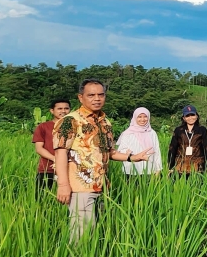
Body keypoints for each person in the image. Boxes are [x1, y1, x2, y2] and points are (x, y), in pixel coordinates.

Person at [53, 79, 153, 242]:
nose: (97, 98)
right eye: (91, 95)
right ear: (80, 97)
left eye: (101, 94)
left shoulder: (105, 122)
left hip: (102, 185)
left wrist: (132, 157)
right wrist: (63, 185)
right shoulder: (70, 121)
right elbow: (61, 153)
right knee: (81, 235)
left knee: (96, 231)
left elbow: (110, 152)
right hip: (80, 186)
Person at [31, 99, 71, 195]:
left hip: (70, 169)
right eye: (59, 108)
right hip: (47, 169)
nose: (63, 111)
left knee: (68, 199)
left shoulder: (74, 127)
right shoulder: (43, 127)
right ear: (52, 111)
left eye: (66, 108)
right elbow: (39, 148)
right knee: (42, 199)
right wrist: (56, 159)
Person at [117, 107, 163, 179]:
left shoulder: (151, 132)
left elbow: (157, 151)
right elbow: (121, 150)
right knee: (132, 189)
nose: (142, 119)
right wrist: (128, 152)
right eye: (139, 117)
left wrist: (158, 168)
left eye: (145, 117)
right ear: (135, 117)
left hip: (149, 169)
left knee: (149, 189)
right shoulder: (127, 133)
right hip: (131, 169)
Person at [168, 105, 207, 177]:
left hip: (197, 165)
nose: (190, 118)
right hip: (180, 165)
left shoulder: (202, 130)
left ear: (197, 116)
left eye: (192, 115)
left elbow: (205, 148)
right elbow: (173, 148)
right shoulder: (179, 130)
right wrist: (170, 166)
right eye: (187, 116)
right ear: (184, 118)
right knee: (179, 186)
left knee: (197, 185)